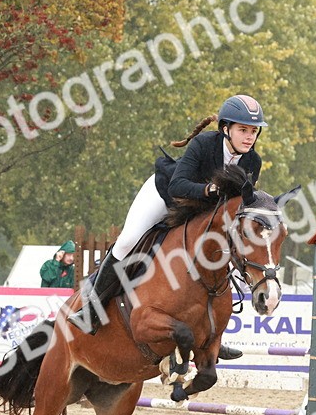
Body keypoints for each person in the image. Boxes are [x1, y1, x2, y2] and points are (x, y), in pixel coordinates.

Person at [68, 95, 267, 359]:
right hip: (166, 195)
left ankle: (211, 337)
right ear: (225, 129)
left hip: (202, 212)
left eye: (253, 131)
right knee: (128, 241)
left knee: (220, 253)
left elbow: (240, 204)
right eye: (243, 130)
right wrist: (208, 189)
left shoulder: (253, 161)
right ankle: (91, 310)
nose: (249, 136)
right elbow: (177, 186)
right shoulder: (203, 144)